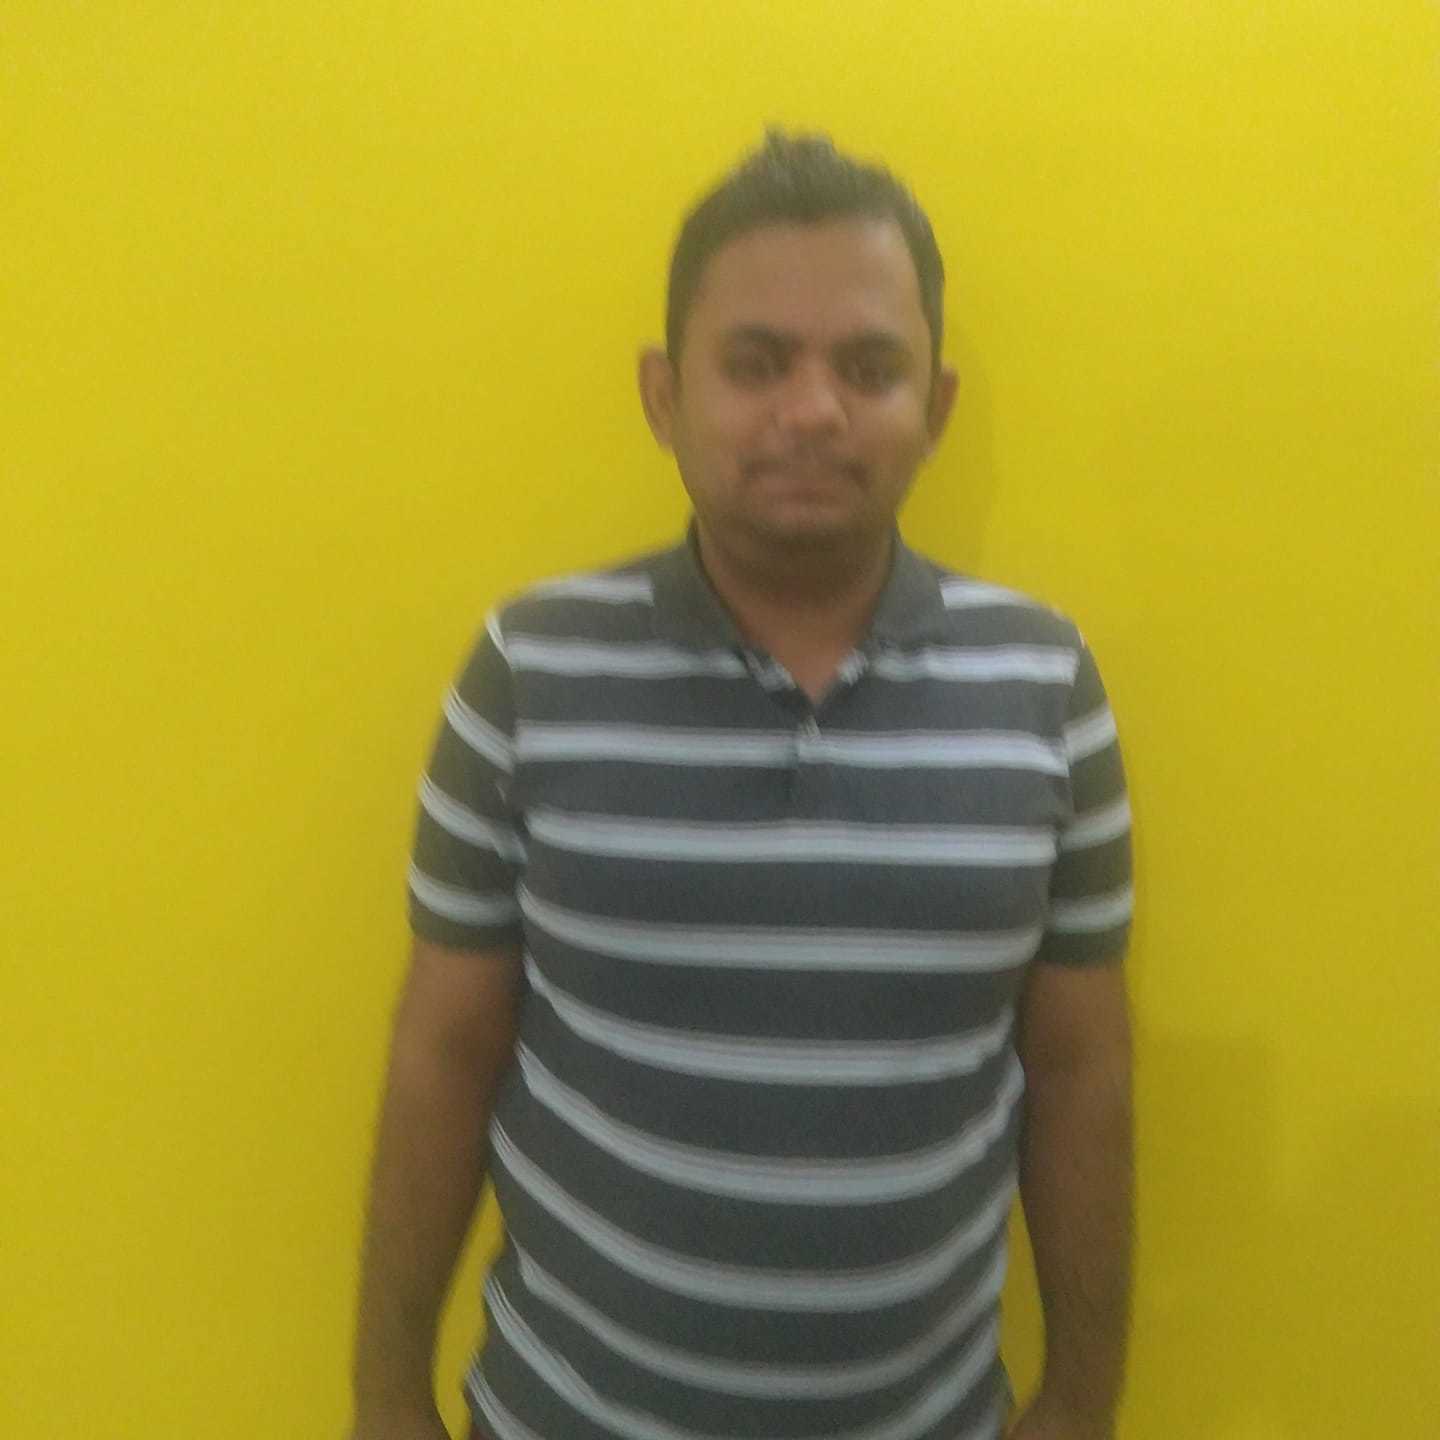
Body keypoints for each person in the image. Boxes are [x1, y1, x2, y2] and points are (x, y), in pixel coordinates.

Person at [350, 129, 1134, 1440]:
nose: (813, 411)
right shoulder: (529, 669)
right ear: (664, 396)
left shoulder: (1044, 683)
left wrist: (1086, 1401)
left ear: (936, 408)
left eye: (869, 368)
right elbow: (444, 1051)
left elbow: (1082, 1071)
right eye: (757, 363)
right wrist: (384, 1398)